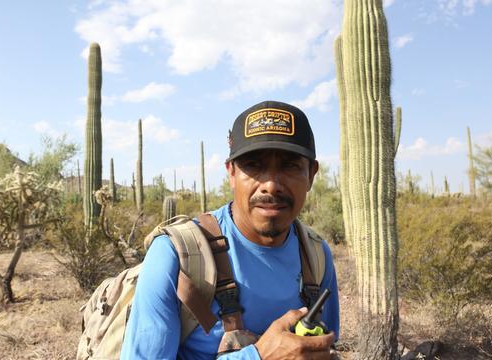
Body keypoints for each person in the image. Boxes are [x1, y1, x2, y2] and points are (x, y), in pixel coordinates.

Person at [121, 100, 340, 360]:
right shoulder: (176, 255)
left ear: (311, 174)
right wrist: (259, 356)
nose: (271, 185)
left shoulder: (315, 255)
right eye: (254, 165)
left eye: (290, 165)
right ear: (231, 173)